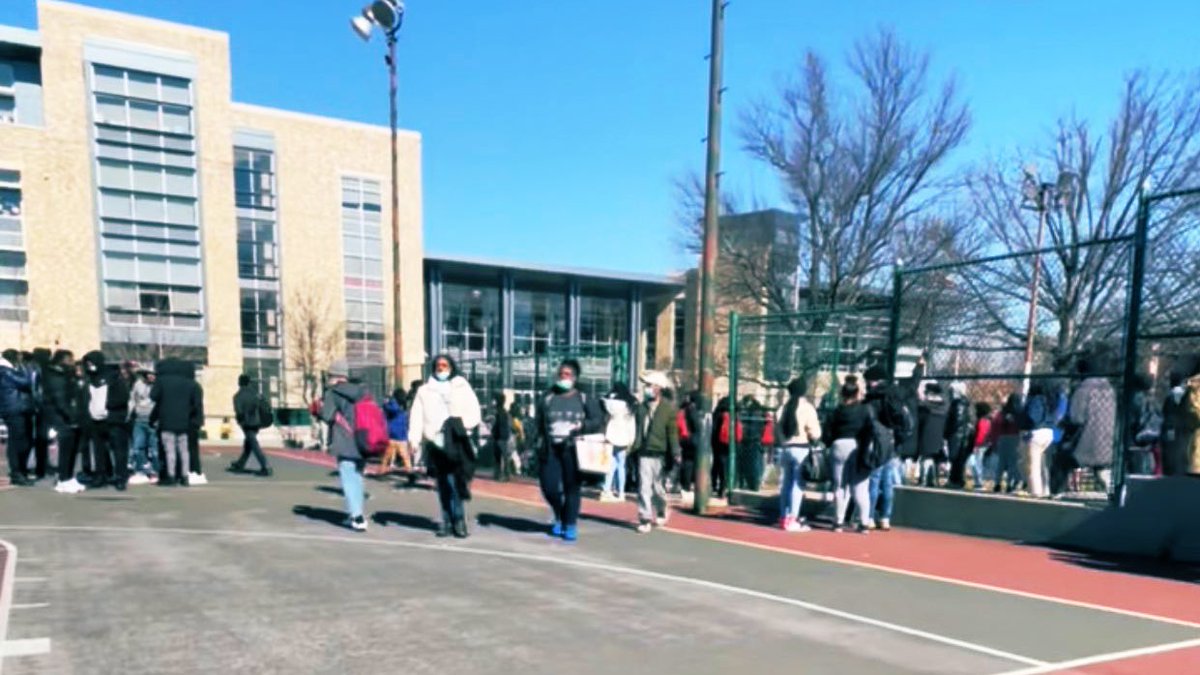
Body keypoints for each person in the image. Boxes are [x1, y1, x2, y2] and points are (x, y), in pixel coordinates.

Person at [408, 355, 482, 538]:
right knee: (443, 484)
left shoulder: (461, 387)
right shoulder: (424, 391)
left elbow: (474, 410)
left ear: (451, 367)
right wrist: (414, 439)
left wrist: (462, 425)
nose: (441, 368)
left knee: (456, 482)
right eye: (438, 366)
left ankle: (458, 519)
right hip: (436, 441)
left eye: (445, 365)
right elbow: (416, 416)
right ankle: (447, 520)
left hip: (457, 439)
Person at [533, 359, 602, 542]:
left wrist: (583, 425)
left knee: (572, 487)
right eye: (561, 374)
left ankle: (569, 523)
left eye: (567, 374)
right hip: (551, 449)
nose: (563, 377)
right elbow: (538, 423)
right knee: (549, 488)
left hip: (573, 449)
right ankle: (559, 513)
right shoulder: (547, 397)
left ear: (575, 378)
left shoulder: (583, 398)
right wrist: (536, 443)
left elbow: (597, 420)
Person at [320, 360, 374, 532]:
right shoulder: (362, 391)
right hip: (363, 439)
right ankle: (357, 513)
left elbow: (327, 415)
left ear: (335, 377)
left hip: (344, 439)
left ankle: (357, 516)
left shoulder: (333, 393)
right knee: (357, 477)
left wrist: (318, 409)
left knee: (348, 477)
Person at [862, 365, 908, 531]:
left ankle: (869, 516)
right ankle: (885, 517)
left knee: (874, 479)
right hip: (893, 439)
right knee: (887, 481)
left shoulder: (873, 398)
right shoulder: (896, 394)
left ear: (873, 381)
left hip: (878, 438)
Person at [634, 372, 680, 534]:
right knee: (644, 487)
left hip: (660, 453)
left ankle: (661, 509)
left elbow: (672, 432)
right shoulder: (641, 407)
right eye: (646, 385)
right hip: (644, 451)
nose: (647, 389)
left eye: (650, 385)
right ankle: (644, 518)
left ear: (659, 388)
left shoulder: (668, 409)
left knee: (657, 488)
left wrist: (675, 451)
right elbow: (637, 429)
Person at [824, 377, 871, 533]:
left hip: (838, 445)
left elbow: (827, 434)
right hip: (856, 446)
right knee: (860, 487)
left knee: (840, 486)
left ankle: (838, 521)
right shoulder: (864, 410)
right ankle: (864, 522)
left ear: (842, 394)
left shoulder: (836, 411)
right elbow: (869, 429)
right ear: (857, 394)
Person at [775, 377, 821, 533]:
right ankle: (793, 519)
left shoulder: (782, 408)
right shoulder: (807, 408)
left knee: (785, 484)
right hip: (801, 449)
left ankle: (783, 517)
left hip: (785, 448)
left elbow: (777, 431)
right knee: (797, 485)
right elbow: (815, 433)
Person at [79, 351, 130, 490]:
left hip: (113, 419)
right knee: (98, 450)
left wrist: (108, 407)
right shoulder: (89, 379)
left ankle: (120, 477)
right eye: (88, 364)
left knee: (118, 450)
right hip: (95, 421)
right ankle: (101, 475)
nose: (90, 366)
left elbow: (123, 398)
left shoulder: (114, 378)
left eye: (92, 363)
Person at [1065, 354, 1117, 491]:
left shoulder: (1083, 389)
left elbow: (1077, 418)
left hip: (1088, 438)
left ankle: (1057, 490)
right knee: (1102, 468)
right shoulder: (1109, 389)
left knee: (1064, 459)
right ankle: (1109, 490)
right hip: (1108, 437)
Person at [150, 358, 199, 487]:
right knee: (184, 450)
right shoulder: (190, 383)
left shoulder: (162, 381)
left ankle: (170, 476)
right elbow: (195, 403)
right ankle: (184, 476)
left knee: (169, 450)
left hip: (166, 420)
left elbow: (153, 396)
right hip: (184, 421)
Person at [43, 350, 85, 494]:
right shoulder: (55, 377)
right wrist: (71, 416)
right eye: (69, 360)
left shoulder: (66, 376)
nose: (72, 363)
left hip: (68, 415)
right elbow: (60, 400)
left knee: (72, 447)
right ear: (61, 360)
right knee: (66, 447)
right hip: (60, 417)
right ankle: (62, 479)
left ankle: (69, 476)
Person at [230, 374, 274, 477]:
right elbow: (265, 405)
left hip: (246, 423)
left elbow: (239, 412)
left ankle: (265, 466)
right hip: (257, 422)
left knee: (253, 444)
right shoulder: (256, 394)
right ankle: (240, 463)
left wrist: (241, 420)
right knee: (249, 444)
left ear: (239, 383)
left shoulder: (237, 396)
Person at [601, 382, 637, 502]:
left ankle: (607, 489)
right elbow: (632, 424)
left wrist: (610, 395)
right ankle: (621, 492)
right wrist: (631, 439)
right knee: (621, 465)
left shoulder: (612, 403)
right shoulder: (630, 405)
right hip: (625, 437)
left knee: (611, 465)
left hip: (612, 435)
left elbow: (604, 401)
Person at [0, 351, 33, 485]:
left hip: (19, 408)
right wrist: (25, 368)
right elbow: (25, 382)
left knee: (23, 441)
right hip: (13, 409)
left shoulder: (10, 370)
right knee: (16, 442)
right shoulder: (4, 371)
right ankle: (16, 472)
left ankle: (21, 470)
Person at [1019, 383, 1055, 497]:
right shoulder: (1047, 400)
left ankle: (1035, 492)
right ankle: (1046, 490)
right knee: (1043, 465)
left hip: (1036, 433)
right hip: (1048, 432)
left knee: (1032, 466)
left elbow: (1032, 417)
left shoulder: (1034, 400)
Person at [916, 382, 950, 487]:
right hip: (939, 436)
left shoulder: (923, 407)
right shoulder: (944, 406)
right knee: (935, 458)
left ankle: (924, 478)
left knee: (925, 457)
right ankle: (935, 479)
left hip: (925, 435)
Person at [128, 366, 158, 482]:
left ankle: (155, 472)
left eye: (153, 374)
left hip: (153, 421)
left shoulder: (158, 385)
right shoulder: (138, 384)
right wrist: (130, 412)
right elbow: (132, 399)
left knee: (154, 449)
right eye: (149, 374)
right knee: (137, 447)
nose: (151, 376)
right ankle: (141, 471)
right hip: (139, 420)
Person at [945, 383, 974, 489]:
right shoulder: (965, 403)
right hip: (961, 435)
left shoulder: (958, 404)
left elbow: (957, 420)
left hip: (957, 435)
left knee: (956, 458)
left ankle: (955, 480)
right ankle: (956, 479)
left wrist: (948, 432)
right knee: (958, 459)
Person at [1161, 372, 1190, 477]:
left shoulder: (1174, 393)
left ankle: (1173, 474)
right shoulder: (1183, 392)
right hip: (1181, 429)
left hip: (1173, 428)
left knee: (1172, 453)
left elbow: (1169, 412)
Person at [711, 396, 741, 499]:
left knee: (718, 465)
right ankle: (728, 486)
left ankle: (716, 486)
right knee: (728, 465)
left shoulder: (718, 414)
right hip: (731, 443)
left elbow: (713, 429)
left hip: (718, 443)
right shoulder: (734, 414)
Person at [378, 388, 411, 477]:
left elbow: (388, 409)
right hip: (402, 434)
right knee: (405, 456)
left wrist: (386, 402)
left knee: (387, 455)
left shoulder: (393, 405)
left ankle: (382, 470)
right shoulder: (404, 406)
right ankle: (409, 471)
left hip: (392, 434)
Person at [677, 391, 702, 496]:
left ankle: (685, 485)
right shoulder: (693, 410)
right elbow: (697, 426)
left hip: (684, 438)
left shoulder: (683, 408)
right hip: (692, 440)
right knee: (691, 463)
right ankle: (687, 485)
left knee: (687, 462)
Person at [968, 402, 994, 490]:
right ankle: (978, 482)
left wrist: (976, 445)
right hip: (984, 444)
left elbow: (981, 434)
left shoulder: (981, 421)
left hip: (979, 445)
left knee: (976, 464)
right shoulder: (988, 420)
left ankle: (978, 483)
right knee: (977, 463)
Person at [490, 391, 513, 482]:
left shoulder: (500, 412)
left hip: (501, 437)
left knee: (502, 456)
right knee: (500, 456)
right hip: (501, 436)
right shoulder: (501, 411)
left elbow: (499, 425)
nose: (493, 402)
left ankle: (505, 475)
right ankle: (499, 474)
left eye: (494, 400)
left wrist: (493, 430)